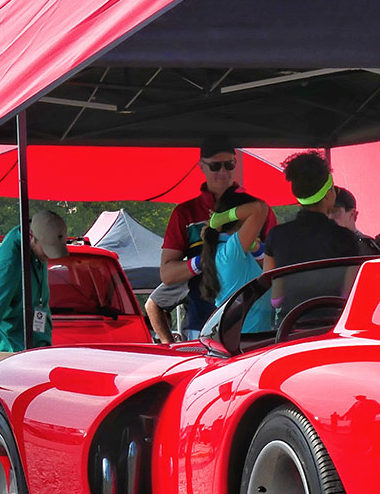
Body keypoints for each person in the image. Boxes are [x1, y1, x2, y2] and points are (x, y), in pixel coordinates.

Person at [146, 137, 276, 343]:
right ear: (201, 167)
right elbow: (167, 274)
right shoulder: (185, 214)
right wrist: (202, 261)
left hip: (255, 324)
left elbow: (276, 266)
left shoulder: (258, 211)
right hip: (201, 327)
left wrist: (254, 247)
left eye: (229, 164)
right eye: (215, 166)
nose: (223, 172)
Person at [264, 151, 361, 315]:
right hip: (332, 329)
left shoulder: (276, 236)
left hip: (291, 329)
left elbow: (276, 299)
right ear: (328, 195)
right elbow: (348, 295)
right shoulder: (347, 239)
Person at [0, 209, 68, 354]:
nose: (49, 255)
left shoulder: (35, 249)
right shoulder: (8, 261)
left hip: (37, 347)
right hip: (15, 352)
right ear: (31, 236)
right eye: (47, 249)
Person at [199, 186, 272, 332]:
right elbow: (259, 208)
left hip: (243, 337)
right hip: (249, 340)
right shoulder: (231, 251)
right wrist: (220, 219)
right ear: (241, 217)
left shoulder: (226, 250)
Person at [331, 186, 380, 255]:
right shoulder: (326, 245)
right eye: (326, 212)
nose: (329, 217)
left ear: (352, 214)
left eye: (334, 211)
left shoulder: (365, 246)